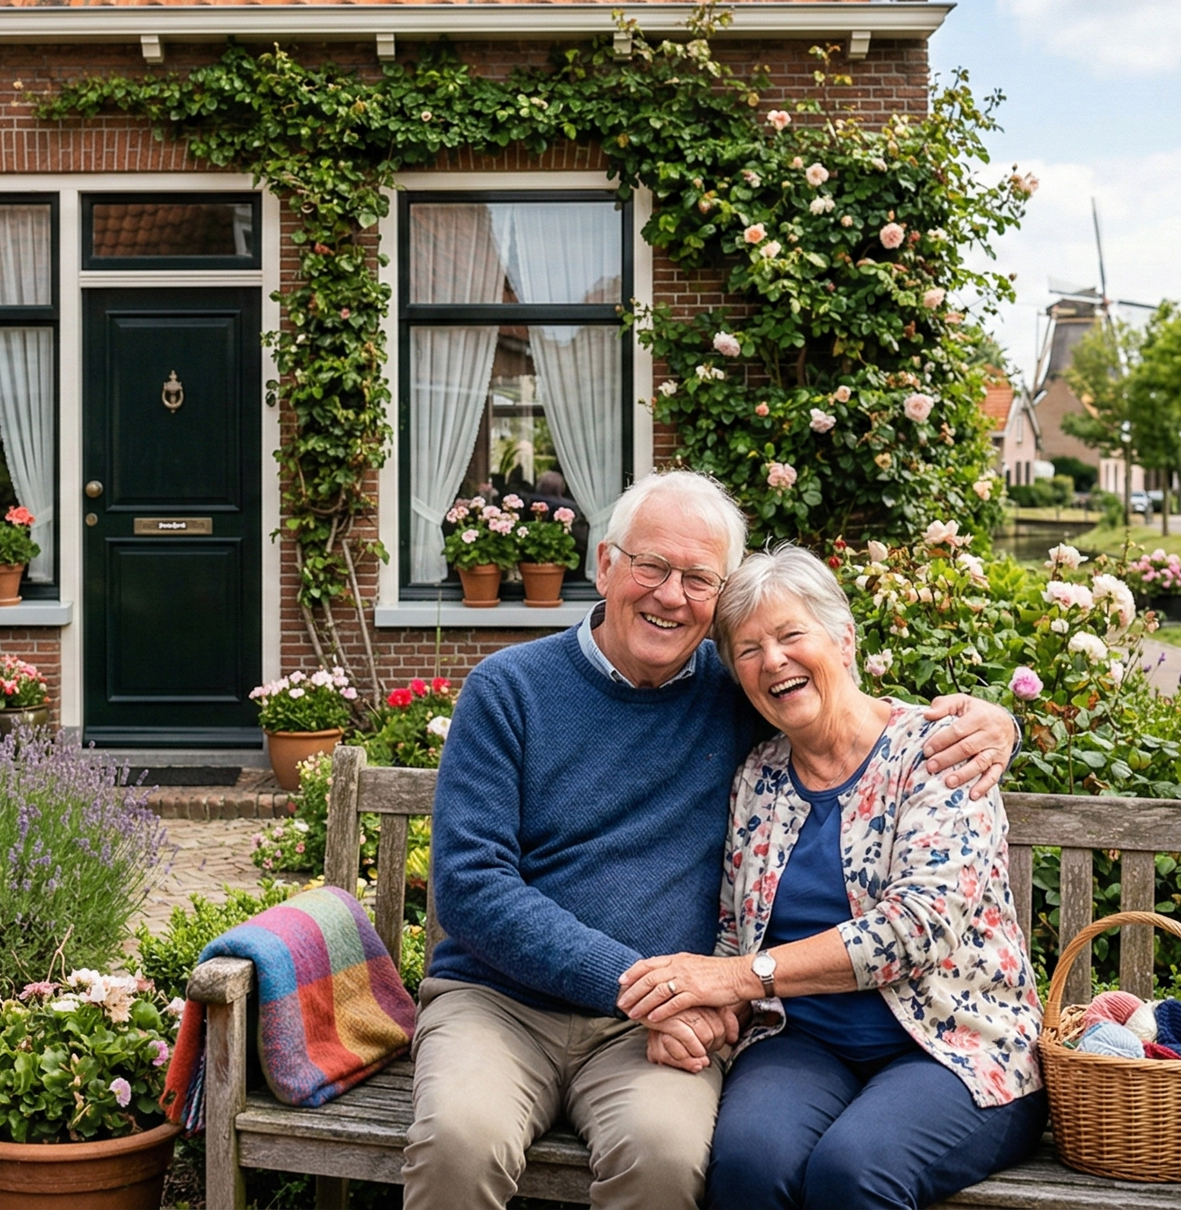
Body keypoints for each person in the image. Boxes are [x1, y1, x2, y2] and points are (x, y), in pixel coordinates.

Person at [403, 472, 1022, 1210]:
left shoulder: (737, 694)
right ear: (605, 564)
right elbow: (471, 886)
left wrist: (993, 724)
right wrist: (664, 993)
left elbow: (843, 715)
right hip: (503, 1004)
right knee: (459, 1140)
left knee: (667, 1156)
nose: (671, 595)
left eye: (698, 578)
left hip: (659, 1025)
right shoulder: (508, 690)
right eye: (652, 566)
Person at [620, 545, 1046, 1210]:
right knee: (748, 1160)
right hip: (805, 1039)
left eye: (792, 635)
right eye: (750, 650)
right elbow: (734, 929)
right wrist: (706, 1011)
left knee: (853, 1171)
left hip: (954, 1047)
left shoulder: (937, 751)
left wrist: (736, 979)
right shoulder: (758, 776)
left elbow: (915, 929)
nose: (774, 661)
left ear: (843, 639)